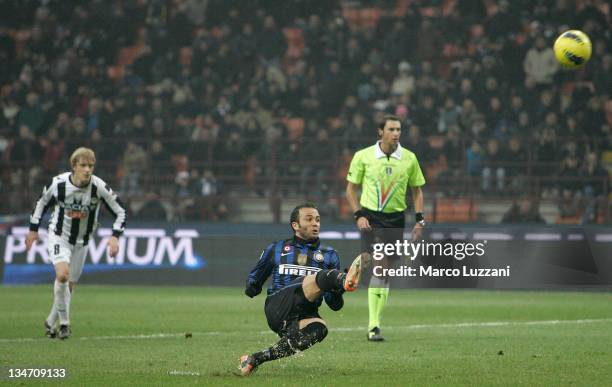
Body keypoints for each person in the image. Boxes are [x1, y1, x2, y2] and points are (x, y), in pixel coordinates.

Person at [239, 203, 366, 376]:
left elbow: (334, 304)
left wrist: (339, 291)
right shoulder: (276, 249)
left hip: (301, 315)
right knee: (320, 277)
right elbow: (253, 283)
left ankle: (254, 359)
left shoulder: (329, 254)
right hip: (278, 306)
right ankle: (343, 278)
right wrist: (252, 285)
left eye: (318, 220)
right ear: (295, 225)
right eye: (309, 219)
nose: (315, 223)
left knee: (319, 328)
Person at [25, 147, 127, 340]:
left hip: (82, 242)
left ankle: (50, 321)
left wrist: (115, 236)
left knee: (69, 286)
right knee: (62, 275)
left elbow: (121, 211)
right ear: (74, 166)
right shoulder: (58, 184)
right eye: (83, 165)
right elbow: (41, 203)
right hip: (59, 236)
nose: (87, 170)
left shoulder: (99, 187)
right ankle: (65, 324)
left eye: (91, 166)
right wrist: (33, 229)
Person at [346, 115, 426, 342]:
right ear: (380, 132)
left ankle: (361, 265)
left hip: (395, 219)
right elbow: (350, 190)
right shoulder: (363, 156)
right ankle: (373, 326)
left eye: (399, 129)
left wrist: (420, 220)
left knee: (386, 271)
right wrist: (358, 215)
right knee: (381, 266)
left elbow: (417, 191)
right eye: (391, 129)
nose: (396, 133)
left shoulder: (409, 158)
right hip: (371, 217)